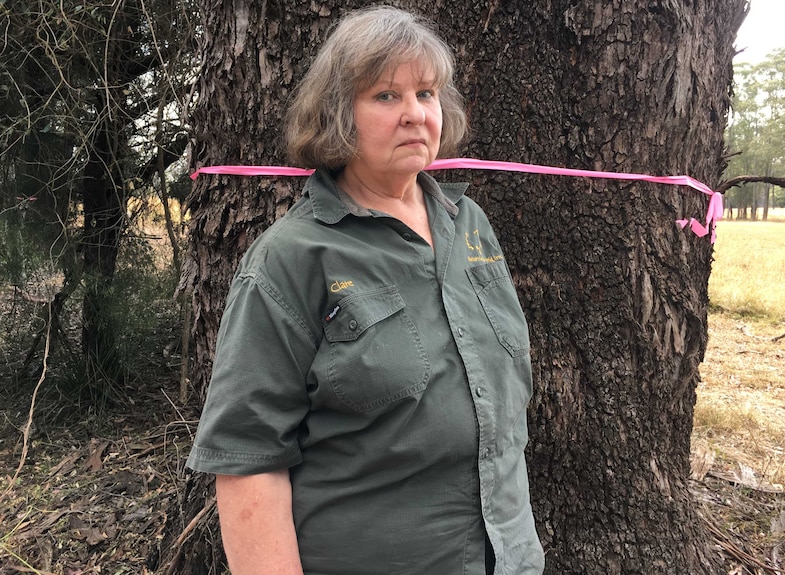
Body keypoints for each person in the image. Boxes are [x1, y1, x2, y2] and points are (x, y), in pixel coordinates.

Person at [186, 6, 545, 575]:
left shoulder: (469, 223)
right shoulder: (291, 259)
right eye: (385, 96)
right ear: (338, 116)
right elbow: (247, 458)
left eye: (426, 94)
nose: (414, 115)